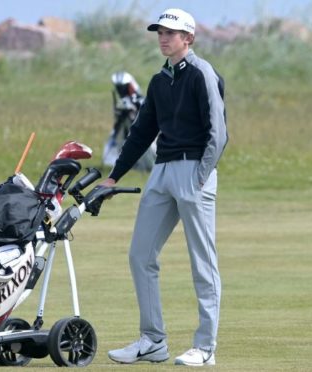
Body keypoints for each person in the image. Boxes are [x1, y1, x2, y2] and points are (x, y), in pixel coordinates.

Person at [103, 8, 228, 367]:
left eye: (170, 33)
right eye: (159, 32)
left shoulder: (202, 74)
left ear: (188, 38)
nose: (163, 38)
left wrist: (201, 175)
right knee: (140, 255)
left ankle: (205, 348)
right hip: (161, 172)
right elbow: (142, 132)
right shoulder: (160, 81)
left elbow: (218, 133)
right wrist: (115, 176)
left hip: (194, 172)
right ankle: (152, 341)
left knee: (202, 262)